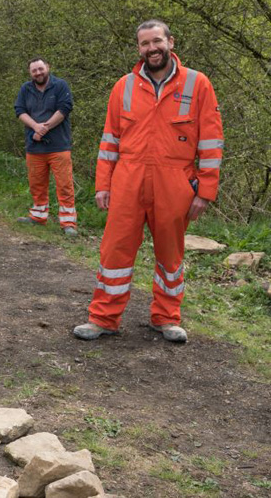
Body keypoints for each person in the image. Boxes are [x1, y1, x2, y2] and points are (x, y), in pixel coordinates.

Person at [74, 20, 223, 343]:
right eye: (145, 44)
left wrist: (205, 191)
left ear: (171, 41)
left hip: (175, 181)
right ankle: (103, 318)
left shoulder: (198, 84)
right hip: (128, 178)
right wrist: (103, 184)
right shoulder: (123, 86)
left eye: (157, 41)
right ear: (138, 49)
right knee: (115, 250)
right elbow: (110, 141)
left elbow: (211, 142)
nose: (152, 48)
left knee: (170, 254)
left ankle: (167, 318)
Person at [14, 57, 77, 235]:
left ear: (47, 67)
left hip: (59, 146)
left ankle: (68, 224)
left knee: (64, 185)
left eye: (40, 69)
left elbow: (64, 108)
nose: (38, 73)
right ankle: (38, 217)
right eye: (34, 70)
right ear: (30, 73)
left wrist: (44, 128)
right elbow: (19, 110)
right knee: (37, 184)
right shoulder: (25, 89)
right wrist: (35, 127)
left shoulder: (60, 85)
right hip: (34, 147)